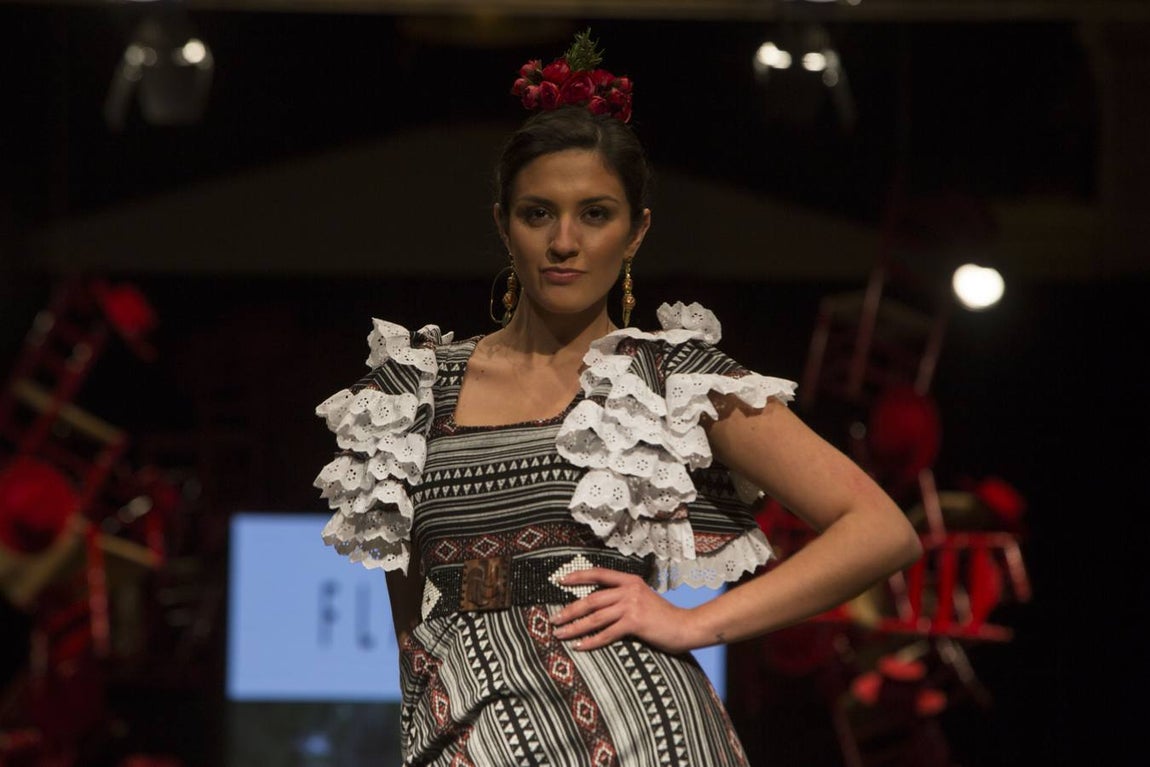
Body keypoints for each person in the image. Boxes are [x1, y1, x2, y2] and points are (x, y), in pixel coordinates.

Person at [314, 31, 922, 767]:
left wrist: (697, 623)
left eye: (595, 214)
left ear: (635, 233)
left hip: (646, 733)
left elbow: (882, 529)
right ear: (503, 223)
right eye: (538, 213)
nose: (564, 240)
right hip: (471, 733)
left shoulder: (669, 378)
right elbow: (411, 628)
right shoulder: (412, 392)